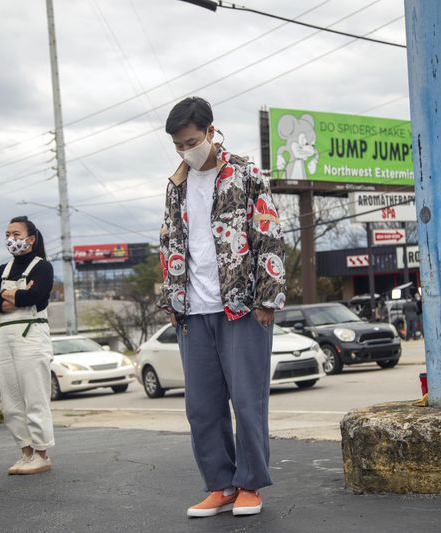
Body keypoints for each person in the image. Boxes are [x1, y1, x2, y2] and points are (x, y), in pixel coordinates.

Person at [157, 97, 287, 518]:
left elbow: (268, 233)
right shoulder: (176, 185)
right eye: (178, 145)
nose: (185, 150)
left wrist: (268, 298)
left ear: (211, 132)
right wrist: (172, 300)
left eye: (191, 142)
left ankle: (250, 484)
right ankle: (220, 484)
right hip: (193, 311)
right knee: (201, 407)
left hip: (241, 306)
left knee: (247, 402)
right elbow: (169, 244)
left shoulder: (245, 173)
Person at [0, 216, 55, 475]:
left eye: (16, 233)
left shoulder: (42, 267)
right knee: (11, 399)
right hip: (4, 336)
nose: (11, 239)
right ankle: (25, 452)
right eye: (7, 234)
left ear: (31, 239)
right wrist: (14, 296)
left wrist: (8, 295)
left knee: (34, 396)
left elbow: (36, 296)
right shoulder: (1, 270)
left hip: (31, 334)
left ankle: (41, 453)